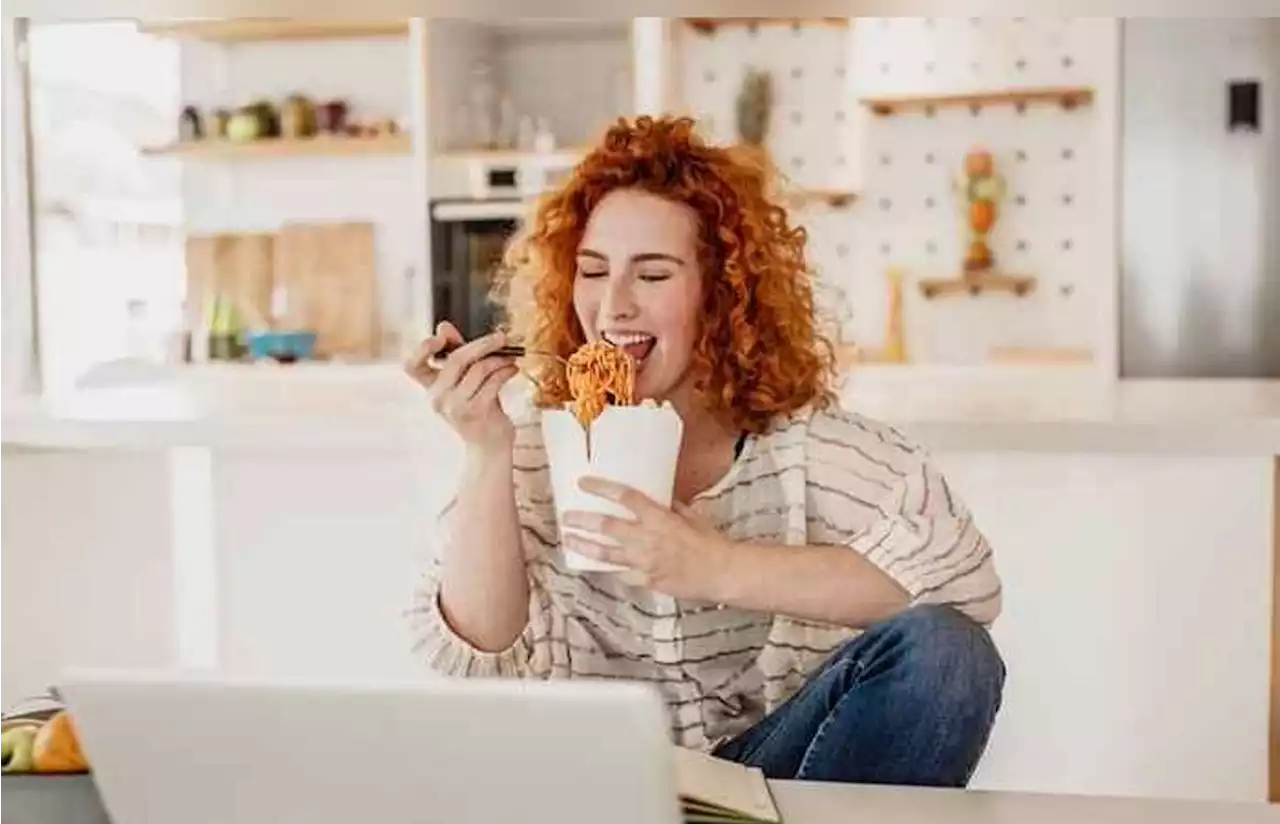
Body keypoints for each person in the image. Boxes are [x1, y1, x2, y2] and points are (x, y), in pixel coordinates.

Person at [404, 115, 1005, 788]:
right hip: (596, 788)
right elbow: (473, 654)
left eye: (653, 275)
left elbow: (965, 587)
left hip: (783, 782)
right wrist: (487, 452)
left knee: (950, 652)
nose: (612, 307)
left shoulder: (818, 451)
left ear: (721, 294)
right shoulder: (537, 449)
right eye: (593, 271)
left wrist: (716, 566)